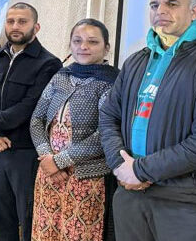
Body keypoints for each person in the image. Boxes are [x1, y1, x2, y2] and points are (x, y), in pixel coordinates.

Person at [99, 0, 196, 241]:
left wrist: (140, 170)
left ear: (194, 11)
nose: (161, 11)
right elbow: (109, 115)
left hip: (184, 202)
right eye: (154, 5)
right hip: (130, 195)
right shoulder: (136, 60)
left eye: (172, 4)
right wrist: (120, 164)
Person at [0, 2, 61, 241]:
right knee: (1, 218)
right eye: (11, 21)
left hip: (25, 152)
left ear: (36, 27)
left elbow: (30, 107)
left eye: (22, 22)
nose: (15, 26)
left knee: (29, 217)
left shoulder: (48, 63)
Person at [31, 19, 120, 241]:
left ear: (106, 47)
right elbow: (37, 119)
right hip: (49, 173)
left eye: (93, 42)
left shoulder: (112, 82)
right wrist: (47, 157)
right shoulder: (61, 76)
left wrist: (59, 161)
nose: (83, 47)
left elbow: (105, 133)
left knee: (78, 235)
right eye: (77, 41)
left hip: (87, 176)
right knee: (45, 232)